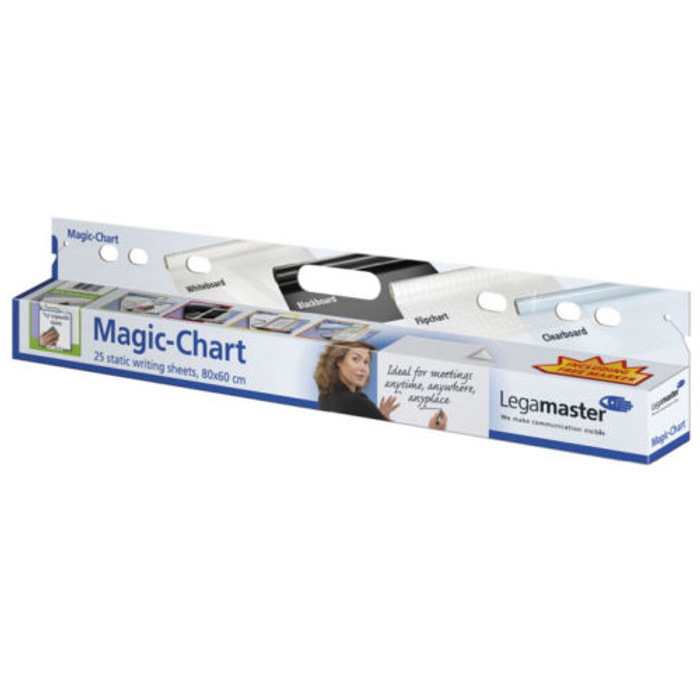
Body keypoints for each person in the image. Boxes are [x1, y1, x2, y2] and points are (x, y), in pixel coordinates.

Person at [313, 341, 447, 429]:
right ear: (339, 362)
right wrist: (432, 432)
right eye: (355, 359)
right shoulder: (355, 401)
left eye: (366, 362)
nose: (363, 368)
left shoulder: (325, 396)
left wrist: (379, 416)